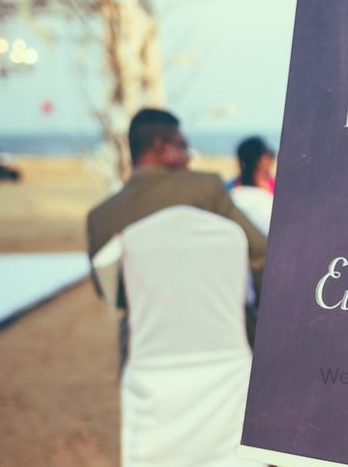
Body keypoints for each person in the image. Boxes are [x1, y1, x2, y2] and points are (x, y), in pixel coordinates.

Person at [87, 107, 267, 357]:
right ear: (160, 146)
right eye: (183, 147)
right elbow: (262, 253)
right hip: (223, 342)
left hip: (146, 354)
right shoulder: (205, 189)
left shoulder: (101, 218)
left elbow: (110, 293)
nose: (188, 158)